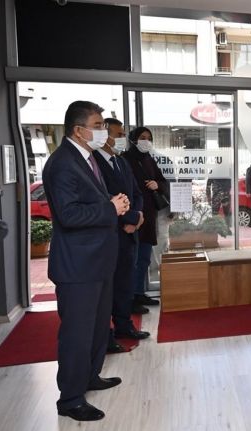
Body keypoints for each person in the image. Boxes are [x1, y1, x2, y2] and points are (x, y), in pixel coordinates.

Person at [42, 101, 130, 421]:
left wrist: (112, 203)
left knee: (96, 328)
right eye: (98, 125)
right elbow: (68, 215)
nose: (104, 131)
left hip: (98, 261)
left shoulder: (86, 157)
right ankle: (70, 399)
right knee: (77, 334)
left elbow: (89, 202)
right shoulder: (62, 163)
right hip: (78, 266)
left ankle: (90, 376)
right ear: (79, 130)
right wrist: (110, 208)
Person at [94, 118, 150, 353]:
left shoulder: (120, 161)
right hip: (111, 234)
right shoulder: (94, 163)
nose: (121, 138)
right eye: (118, 134)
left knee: (125, 283)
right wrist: (128, 220)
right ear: (105, 135)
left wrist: (136, 218)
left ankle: (124, 325)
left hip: (129, 234)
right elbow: (102, 198)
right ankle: (105, 335)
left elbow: (136, 193)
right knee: (107, 289)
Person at [122, 126, 168, 312]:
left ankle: (139, 293)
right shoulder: (125, 160)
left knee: (144, 258)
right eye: (142, 137)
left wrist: (158, 185)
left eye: (149, 138)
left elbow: (162, 181)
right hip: (132, 216)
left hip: (149, 216)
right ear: (133, 139)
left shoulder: (149, 159)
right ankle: (130, 297)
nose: (146, 141)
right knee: (131, 259)